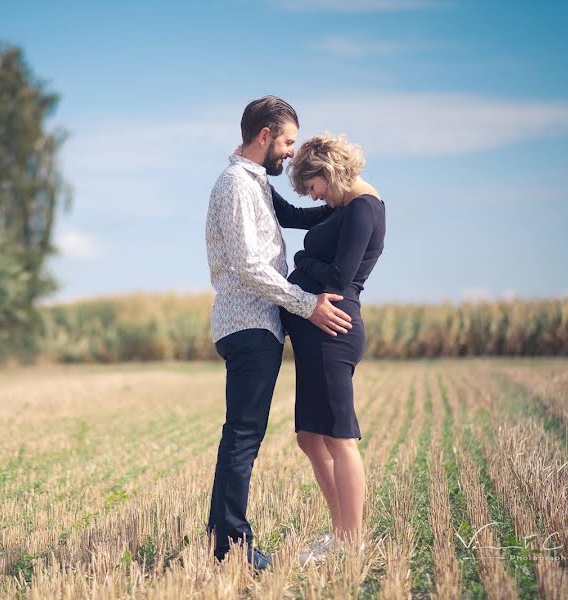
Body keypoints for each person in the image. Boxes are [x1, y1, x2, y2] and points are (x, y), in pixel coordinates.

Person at [204, 96, 353, 570]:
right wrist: (307, 305)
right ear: (264, 135)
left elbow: (296, 217)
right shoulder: (235, 184)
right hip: (247, 323)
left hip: (257, 323)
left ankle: (222, 540)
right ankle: (230, 547)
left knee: (243, 435)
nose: (291, 152)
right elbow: (249, 264)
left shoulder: (253, 184)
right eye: (288, 141)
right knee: (243, 437)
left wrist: (352, 200)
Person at [279, 133, 386, 565]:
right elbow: (288, 214)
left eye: (313, 186)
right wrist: (252, 174)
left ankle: (351, 543)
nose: (313, 196)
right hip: (314, 333)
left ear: (328, 172)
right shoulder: (340, 209)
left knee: (341, 439)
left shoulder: (363, 208)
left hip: (333, 332)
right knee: (309, 438)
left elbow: (339, 277)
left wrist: (301, 263)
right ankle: (340, 532)